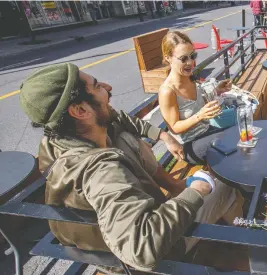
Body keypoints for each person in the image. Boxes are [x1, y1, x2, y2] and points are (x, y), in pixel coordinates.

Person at [19, 63, 242, 272]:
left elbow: (119, 117)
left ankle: (184, 197)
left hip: (102, 242)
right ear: (79, 110)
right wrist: (196, 191)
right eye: (97, 86)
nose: (108, 87)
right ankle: (245, 240)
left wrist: (163, 135)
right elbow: (142, 249)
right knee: (224, 183)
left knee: (125, 136)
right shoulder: (100, 169)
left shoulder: (57, 138)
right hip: (150, 255)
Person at [158, 31, 232, 165]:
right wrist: (199, 116)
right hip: (188, 145)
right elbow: (174, 127)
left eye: (193, 56)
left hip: (206, 132)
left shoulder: (190, 78)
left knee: (236, 137)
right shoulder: (167, 91)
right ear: (168, 58)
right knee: (229, 146)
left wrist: (217, 90)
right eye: (183, 58)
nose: (190, 62)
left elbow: (199, 102)